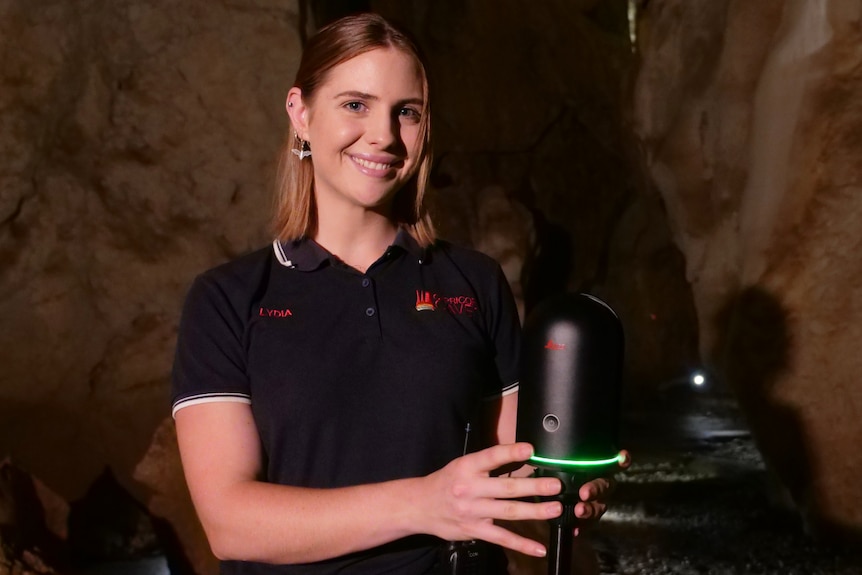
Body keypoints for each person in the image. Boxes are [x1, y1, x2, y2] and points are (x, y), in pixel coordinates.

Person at [171, 12, 626, 574]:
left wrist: (570, 490)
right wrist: (423, 504)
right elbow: (229, 522)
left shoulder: (473, 282)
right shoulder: (228, 300)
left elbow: (517, 466)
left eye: (406, 112)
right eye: (356, 105)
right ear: (301, 113)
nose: (384, 135)